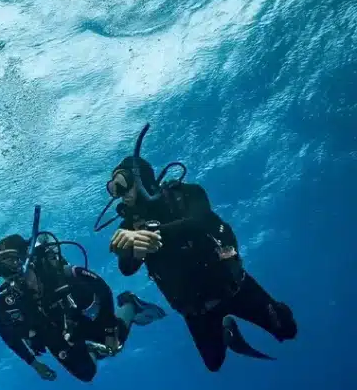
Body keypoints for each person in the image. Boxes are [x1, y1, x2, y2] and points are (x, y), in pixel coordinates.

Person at [100, 124, 297, 371]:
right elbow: (127, 269)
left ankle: (265, 315)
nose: (119, 195)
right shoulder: (130, 226)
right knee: (214, 364)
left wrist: (152, 233)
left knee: (288, 330)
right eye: (113, 189)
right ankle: (227, 329)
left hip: (233, 287)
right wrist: (131, 249)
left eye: (122, 184)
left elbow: (199, 222)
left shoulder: (186, 194)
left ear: (141, 178)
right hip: (196, 311)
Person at [0, 232, 165, 382]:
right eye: (0, 267)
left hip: (82, 318)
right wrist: (34, 364)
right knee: (87, 374)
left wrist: (111, 331)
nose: (7, 271)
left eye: (11, 261)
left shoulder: (61, 275)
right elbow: (7, 333)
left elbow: (102, 289)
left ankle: (130, 304)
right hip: (54, 334)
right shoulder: (4, 301)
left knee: (115, 345)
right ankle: (91, 351)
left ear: (26, 257)